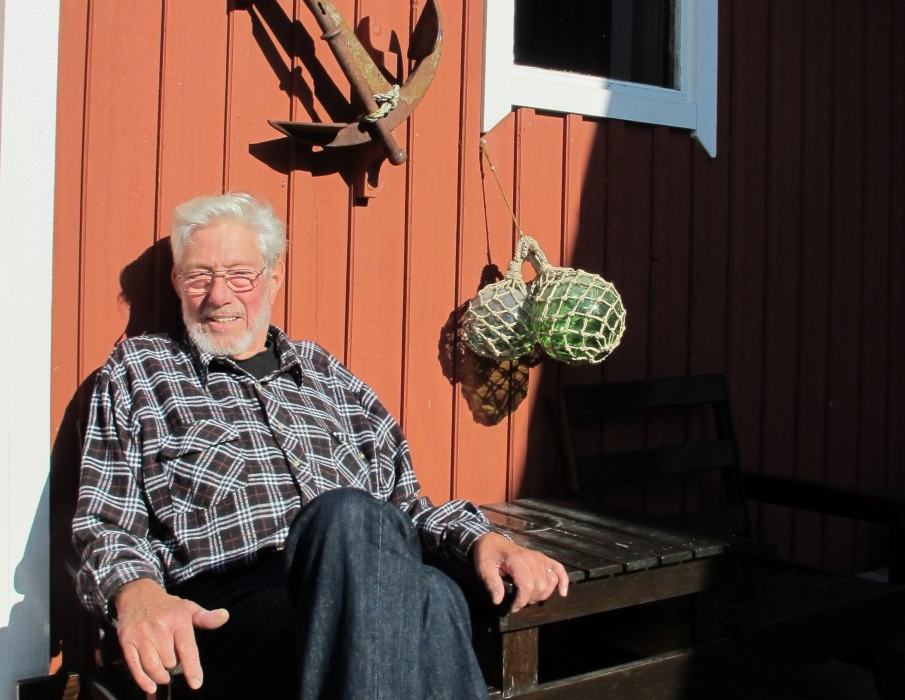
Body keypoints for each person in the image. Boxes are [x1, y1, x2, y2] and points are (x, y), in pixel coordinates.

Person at [73, 192, 569, 700]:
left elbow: (405, 505)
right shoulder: (140, 372)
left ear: (274, 278)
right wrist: (136, 593)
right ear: (178, 282)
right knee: (416, 581)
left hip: (369, 583)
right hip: (238, 608)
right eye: (200, 276)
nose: (219, 295)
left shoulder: (328, 377)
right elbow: (107, 521)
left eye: (240, 275)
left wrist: (485, 540)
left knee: (393, 559)